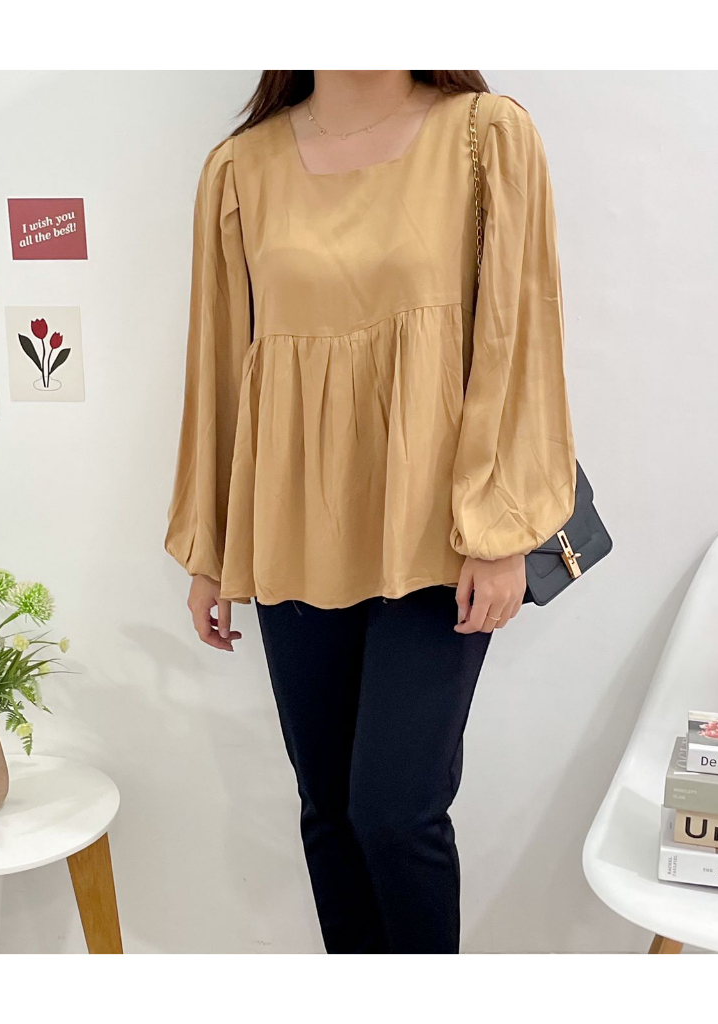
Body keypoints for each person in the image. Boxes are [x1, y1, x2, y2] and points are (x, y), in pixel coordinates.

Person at [165, 70, 576, 953]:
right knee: (328, 810)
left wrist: (502, 533)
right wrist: (212, 547)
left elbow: (519, 338)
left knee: (395, 812)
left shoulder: (484, 136)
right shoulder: (240, 170)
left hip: (441, 534)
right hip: (292, 527)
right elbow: (221, 366)